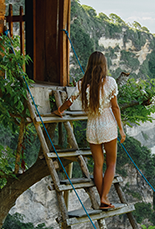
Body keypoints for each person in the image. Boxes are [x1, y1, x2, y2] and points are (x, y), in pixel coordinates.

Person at [53, 51, 126, 210]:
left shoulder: (82, 83)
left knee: (98, 166)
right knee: (111, 163)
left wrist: (59, 110)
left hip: (92, 128)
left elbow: (69, 101)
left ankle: (103, 200)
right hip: (108, 127)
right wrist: (121, 129)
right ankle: (105, 198)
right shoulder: (110, 82)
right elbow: (115, 107)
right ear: (103, 65)